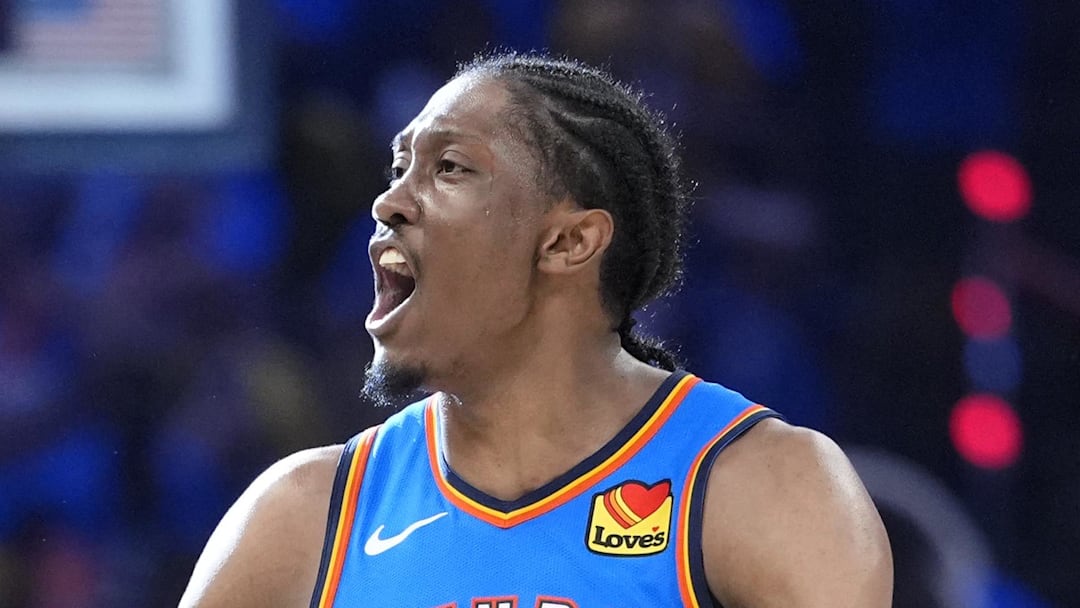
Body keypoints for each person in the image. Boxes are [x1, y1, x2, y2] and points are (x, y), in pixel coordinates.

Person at [179, 52, 892, 607]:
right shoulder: (308, 514)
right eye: (398, 169)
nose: (390, 201)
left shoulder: (757, 485)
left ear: (568, 243)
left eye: (448, 168)